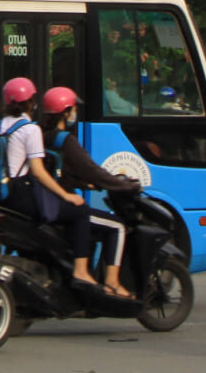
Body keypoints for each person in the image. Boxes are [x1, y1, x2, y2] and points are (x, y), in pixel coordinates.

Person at [0, 77, 118, 293]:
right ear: (31, 102)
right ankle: (80, 271)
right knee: (80, 210)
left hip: (1, 194)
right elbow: (39, 172)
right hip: (21, 193)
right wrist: (66, 195)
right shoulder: (29, 129)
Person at [41, 86, 141, 297]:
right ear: (66, 112)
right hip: (61, 204)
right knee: (117, 226)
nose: (75, 114)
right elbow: (93, 170)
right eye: (74, 109)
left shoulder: (42, 136)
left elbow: (58, 173)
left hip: (46, 200)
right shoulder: (65, 141)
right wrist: (124, 185)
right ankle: (112, 282)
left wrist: (83, 185)